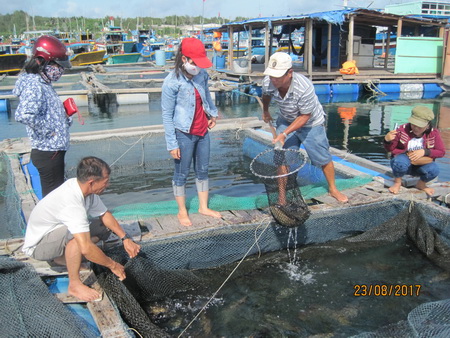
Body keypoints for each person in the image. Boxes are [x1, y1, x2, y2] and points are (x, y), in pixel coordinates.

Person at [22, 156, 141, 302]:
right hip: (39, 246)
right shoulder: (72, 203)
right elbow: (84, 246)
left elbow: (104, 214)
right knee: (78, 240)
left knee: (104, 226)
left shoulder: (86, 190)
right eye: (105, 182)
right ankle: (75, 284)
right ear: (92, 182)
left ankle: (65, 257)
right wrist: (113, 265)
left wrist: (125, 238)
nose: (107, 185)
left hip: (59, 234)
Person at [261, 52, 348, 203]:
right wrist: (266, 111)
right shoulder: (268, 82)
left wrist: (284, 134)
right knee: (282, 158)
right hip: (286, 119)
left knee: (323, 158)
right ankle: (282, 197)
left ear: (290, 73)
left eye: (278, 76)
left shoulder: (304, 87)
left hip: (311, 123)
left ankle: (333, 189)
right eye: (271, 75)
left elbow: (305, 116)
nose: (273, 80)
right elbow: (266, 95)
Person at [161, 37, 222, 226]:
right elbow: (166, 115)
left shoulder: (202, 75)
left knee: (203, 170)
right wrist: (172, 143)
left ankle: (203, 207)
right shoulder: (171, 82)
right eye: (194, 62)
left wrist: (212, 114)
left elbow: (206, 97)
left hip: (202, 130)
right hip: (183, 133)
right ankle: (182, 211)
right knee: (182, 173)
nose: (197, 67)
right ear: (184, 59)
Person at [13, 35, 73, 197]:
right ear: (41, 61)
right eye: (56, 65)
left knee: (56, 196)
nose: (60, 70)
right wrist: (49, 131)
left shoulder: (44, 84)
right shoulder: (34, 85)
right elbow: (23, 115)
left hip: (53, 150)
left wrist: (64, 117)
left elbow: (46, 114)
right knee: (52, 200)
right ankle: (51, 223)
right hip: (48, 152)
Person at [384, 106, 445, 196]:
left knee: (434, 169)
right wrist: (387, 140)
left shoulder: (433, 133)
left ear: (427, 124)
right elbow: (391, 149)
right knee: (399, 161)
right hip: (403, 162)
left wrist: (425, 152)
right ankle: (397, 182)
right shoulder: (402, 130)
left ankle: (421, 184)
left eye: (419, 126)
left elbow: (441, 152)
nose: (416, 128)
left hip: (421, 165)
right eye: (413, 125)